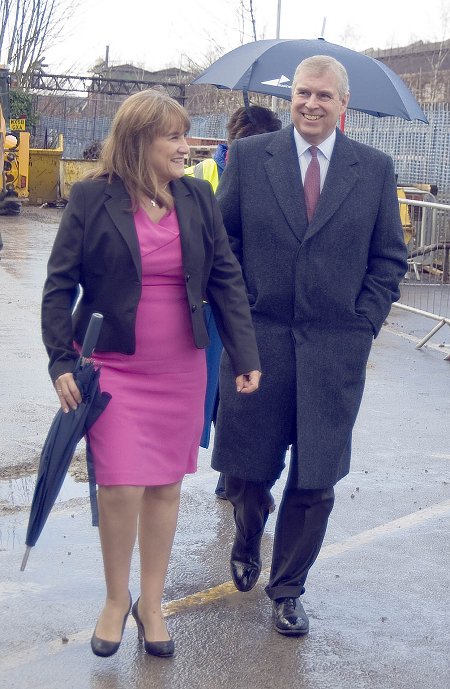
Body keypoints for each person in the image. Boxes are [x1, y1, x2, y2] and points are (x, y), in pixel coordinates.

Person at [41, 89, 261, 658]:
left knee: (165, 486)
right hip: (113, 367)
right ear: (140, 140)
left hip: (183, 368)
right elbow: (59, 285)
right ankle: (116, 600)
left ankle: (153, 603)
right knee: (118, 485)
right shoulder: (93, 198)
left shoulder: (196, 197)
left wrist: (244, 353)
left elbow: (225, 278)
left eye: (186, 136)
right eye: (174, 137)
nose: (186, 148)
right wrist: (60, 358)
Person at [211, 55, 408, 636]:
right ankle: (249, 530)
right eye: (302, 93)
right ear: (291, 97)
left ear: (342, 105)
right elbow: (225, 243)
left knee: (316, 479)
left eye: (324, 95)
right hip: (260, 343)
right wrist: (240, 314)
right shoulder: (250, 158)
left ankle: (288, 587)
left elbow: (389, 258)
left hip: (333, 351)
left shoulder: (372, 170)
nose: (311, 104)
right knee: (248, 472)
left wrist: (362, 324)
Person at [187, 105, 282, 500]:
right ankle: (225, 467)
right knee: (217, 388)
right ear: (233, 140)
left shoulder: (275, 176)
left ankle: (233, 474)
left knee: (244, 388)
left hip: (253, 300)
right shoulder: (205, 173)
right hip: (212, 300)